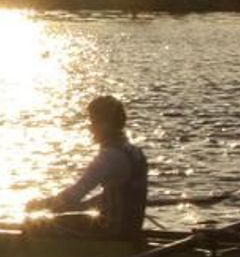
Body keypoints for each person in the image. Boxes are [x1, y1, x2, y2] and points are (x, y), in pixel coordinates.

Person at [28, 95, 149, 239]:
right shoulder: (134, 151)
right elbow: (116, 196)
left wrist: (41, 204)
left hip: (111, 231)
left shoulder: (110, 157)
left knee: (33, 225)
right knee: (69, 217)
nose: (90, 128)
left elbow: (76, 193)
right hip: (131, 228)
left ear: (106, 124)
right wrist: (76, 207)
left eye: (93, 122)